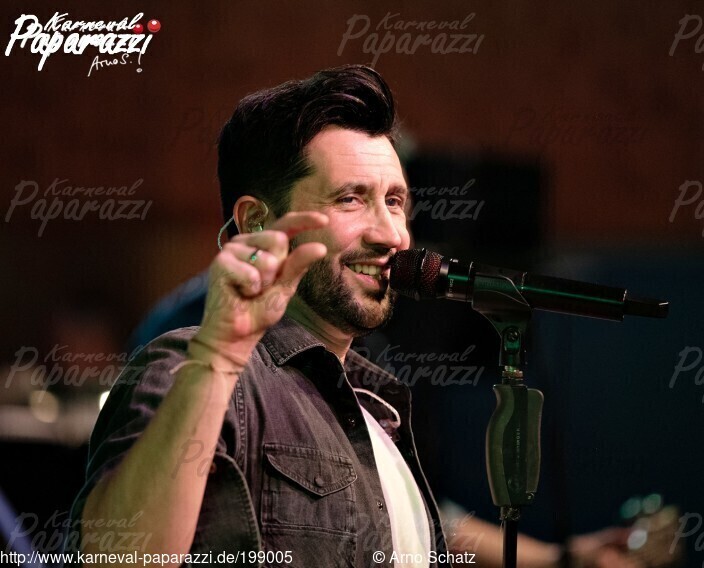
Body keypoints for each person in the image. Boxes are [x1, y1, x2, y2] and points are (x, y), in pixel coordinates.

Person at [65, 65, 450, 567]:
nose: (391, 235)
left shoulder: (381, 412)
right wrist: (219, 355)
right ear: (255, 222)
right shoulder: (188, 369)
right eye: (351, 198)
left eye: (394, 202)